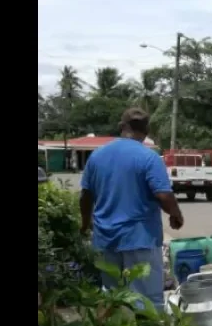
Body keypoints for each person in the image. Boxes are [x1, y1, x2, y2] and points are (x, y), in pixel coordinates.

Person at [79, 107, 185, 311]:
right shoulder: (149, 157)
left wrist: (85, 223)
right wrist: (175, 215)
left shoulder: (97, 156)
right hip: (140, 239)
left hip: (105, 239)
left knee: (113, 299)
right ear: (146, 130)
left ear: (121, 127)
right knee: (146, 302)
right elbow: (163, 194)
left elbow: (86, 196)